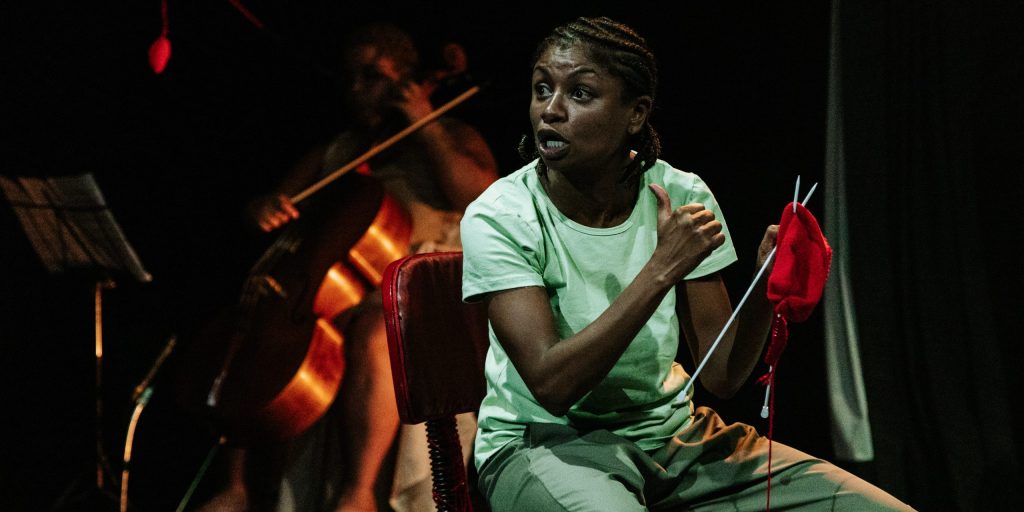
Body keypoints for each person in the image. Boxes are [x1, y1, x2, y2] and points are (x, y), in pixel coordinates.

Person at [459, 16, 915, 511]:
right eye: (542, 89)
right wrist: (661, 269)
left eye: (581, 93)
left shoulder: (680, 193)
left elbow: (721, 375)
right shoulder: (501, 214)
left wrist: (765, 286)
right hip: (544, 443)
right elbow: (552, 385)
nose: (551, 109)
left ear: (636, 114)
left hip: (675, 439)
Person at [196, 22, 497, 512]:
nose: (356, 88)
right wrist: (264, 208)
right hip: (343, 287)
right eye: (350, 77)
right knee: (261, 327)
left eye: (371, 76)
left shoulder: (451, 133)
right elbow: (271, 207)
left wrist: (425, 122)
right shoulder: (338, 150)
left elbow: (481, 195)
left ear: (406, 79)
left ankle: (358, 492)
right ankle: (235, 485)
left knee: (378, 331)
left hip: (420, 290)